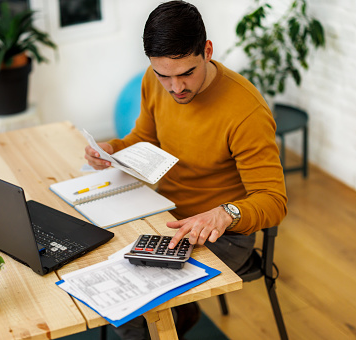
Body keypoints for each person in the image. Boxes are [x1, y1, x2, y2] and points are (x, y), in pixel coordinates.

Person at [85, 1, 288, 338]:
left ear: (207, 51)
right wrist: (112, 149)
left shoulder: (245, 111)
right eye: (164, 75)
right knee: (97, 265)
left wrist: (224, 214)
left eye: (186, 74)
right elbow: (146, 138)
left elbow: (274, 200)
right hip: (159, 215)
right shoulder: (153, 81)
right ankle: (180, 312)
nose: (175, 87)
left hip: (223, 234)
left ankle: (173, 317)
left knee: (133, 302)